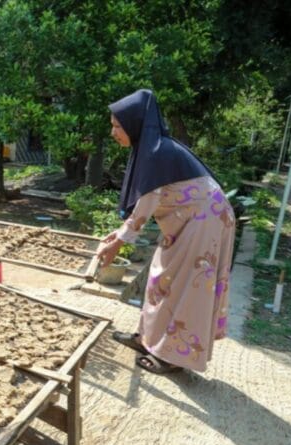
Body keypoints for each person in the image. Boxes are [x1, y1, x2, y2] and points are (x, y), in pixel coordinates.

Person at [97, 89, 235, 374]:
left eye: (117, 126)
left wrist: (117, 243)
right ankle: (148, 339)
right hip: (189, 220)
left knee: (188, 287)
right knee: (162, 277)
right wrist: (118, 234)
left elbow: (147, 203)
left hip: (205, 220)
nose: (113, 133)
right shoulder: (151, 151)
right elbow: (146, 205)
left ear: (134, 124)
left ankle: (174, 357)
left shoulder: (157, 153)